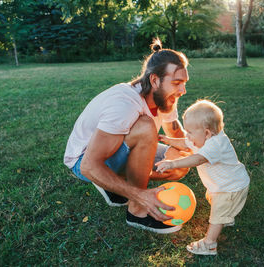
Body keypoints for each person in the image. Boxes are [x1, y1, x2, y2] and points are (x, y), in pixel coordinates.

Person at [64, 38, 190, 234]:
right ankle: (137, 211)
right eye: (176, 83)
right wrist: (141, 196)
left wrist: (206, 152)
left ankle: (114, 186)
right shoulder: (124, 104)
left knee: (181, 162)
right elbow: (89, 165)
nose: (182, 91)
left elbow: (180, 139)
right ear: (155, 80)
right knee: (146, 126)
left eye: (184, 83)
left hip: (116, 151)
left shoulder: (164, 98)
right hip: (84, 161)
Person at [155, 100, 250, 255]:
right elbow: (186, 143)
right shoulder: (201, 138)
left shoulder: (216, 144)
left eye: (190, 132)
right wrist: (169, 140)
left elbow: (197, 159)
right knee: (213, 199)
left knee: (216, 216)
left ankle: (209, 244)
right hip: (220, 186)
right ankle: (227, 215)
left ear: (207, 133)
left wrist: (173, 164)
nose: (188, 136)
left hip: (230, 188)